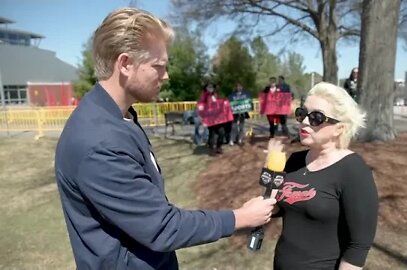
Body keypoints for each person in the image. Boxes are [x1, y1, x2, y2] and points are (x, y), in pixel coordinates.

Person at [54, 8, 276, 270]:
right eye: (159, 66)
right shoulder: (99, 143)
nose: (166, 75)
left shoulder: (119, 117)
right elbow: (162, 227)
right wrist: (239, 218)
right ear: (125, 64)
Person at [272, 82, 379, 269]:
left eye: (316, 117)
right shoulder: (295, 160)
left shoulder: (353, 170)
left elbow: (358, 247)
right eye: (302, 113)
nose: (304, 121)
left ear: (339, 128)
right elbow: (275, 207)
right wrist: (271, 170)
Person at [198, 82, 227, 156]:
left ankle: (219, 147)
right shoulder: (204, 96)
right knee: (212, 134)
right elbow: (201, 106)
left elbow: (220, 103)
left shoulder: (216, 95)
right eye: (209, 87)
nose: (210, 88)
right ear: (206, 88)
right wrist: (203, 118)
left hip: (218, 118)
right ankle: (211, 150)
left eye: (212, 87)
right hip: (210, 118)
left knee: (222, 132)